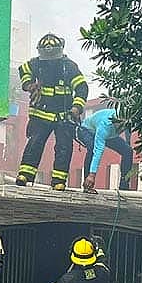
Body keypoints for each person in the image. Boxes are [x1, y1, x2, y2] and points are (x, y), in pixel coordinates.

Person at [16, 33, 89, 191]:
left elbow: (82, 87)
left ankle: (59, 181)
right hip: (41, 113)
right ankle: (25, 175)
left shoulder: (69, 67)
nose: (49, 61)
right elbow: (23, 70)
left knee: (63, 147)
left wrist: (76, 108)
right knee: (35, 143)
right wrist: (29, 85)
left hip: (63, 116)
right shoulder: (37, 63)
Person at [77, 108, 133, 193]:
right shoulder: (105, 126)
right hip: (87, 130)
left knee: (128, 151)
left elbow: (128, 132)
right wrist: (92, 175)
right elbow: (98, 151)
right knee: (92, 149)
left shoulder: (128, 119)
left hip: (110, 136)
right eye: (120, 126)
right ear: (115, 122)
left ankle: (124, 184)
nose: (122, 129)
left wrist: (128, 142)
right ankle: (87, 184)